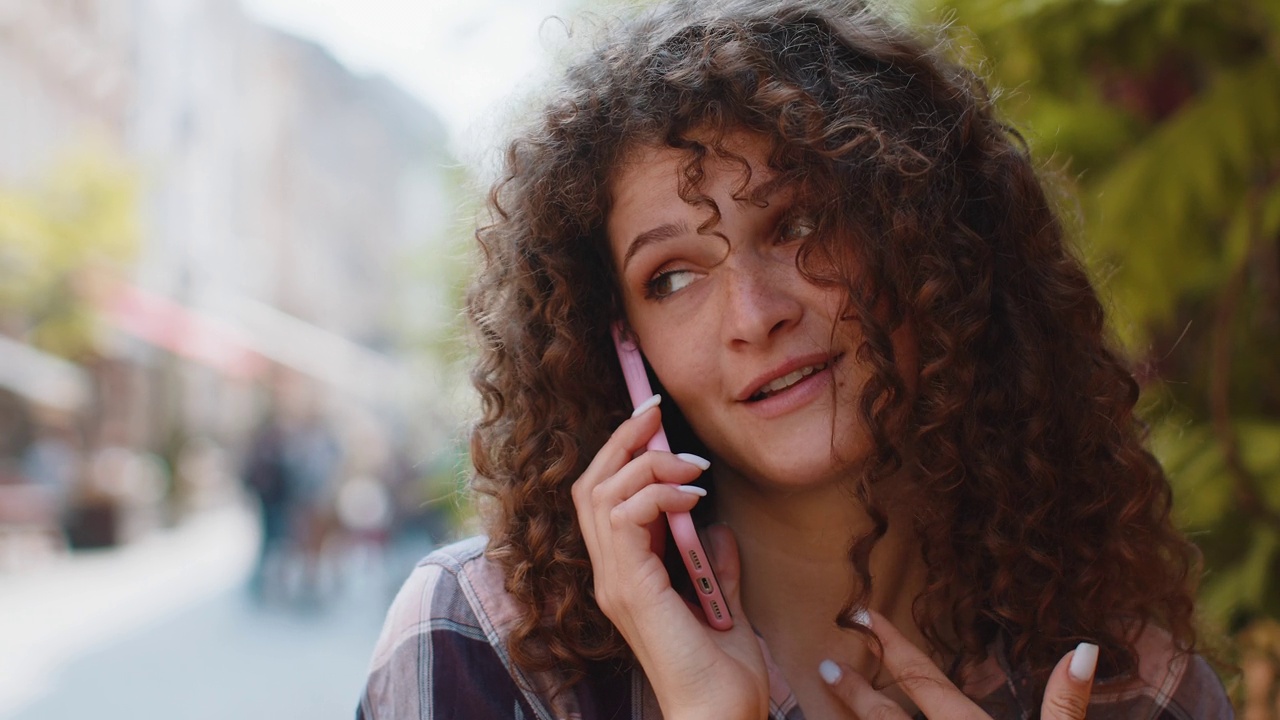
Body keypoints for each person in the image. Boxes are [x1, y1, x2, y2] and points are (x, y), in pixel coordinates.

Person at [359, 0, 1234, 717]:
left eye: (801, 223)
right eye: (670, 279)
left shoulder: (1134, 685)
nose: (753, 315)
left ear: (928, 242)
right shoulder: (484, 646)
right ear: (616, 346)